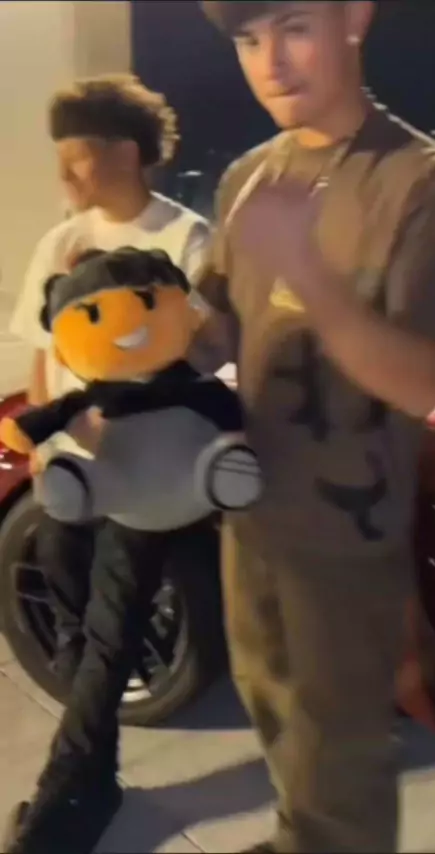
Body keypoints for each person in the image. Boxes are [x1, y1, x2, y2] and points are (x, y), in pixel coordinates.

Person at [190, 2, 435, 853]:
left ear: (353, 17)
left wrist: (308, 273)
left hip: (354, 541)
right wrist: (141, 338)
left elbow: (423, 377)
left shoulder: (427, 184)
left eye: (293, 28)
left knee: (337, 759)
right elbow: (218, 331)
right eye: (248, 41)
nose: (270, 63)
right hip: (252, 517)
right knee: (276, 719)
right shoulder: (249, 176)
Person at [4, 75, 210, 853]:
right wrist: (48, 441)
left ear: (127, 153)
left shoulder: (187, 240)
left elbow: (206, 361)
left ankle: (75, 786)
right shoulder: (62, 240)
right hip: (77, 464)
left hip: (151, 469)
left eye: (79, 158)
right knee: (60, 559)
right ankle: (92, 684)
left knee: (110, 621)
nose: (65, 175)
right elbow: (41, 354)